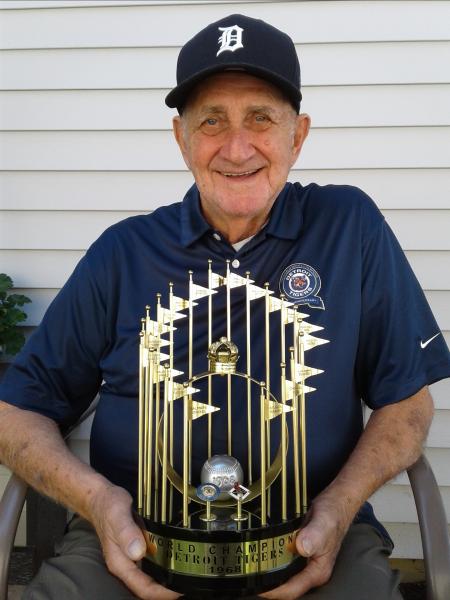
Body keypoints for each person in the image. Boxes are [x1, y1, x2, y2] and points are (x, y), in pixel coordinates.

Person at [0, 13, 449, 600]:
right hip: (134, 538)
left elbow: (407, 403)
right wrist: (99, 502)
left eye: (261, 117)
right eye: (212, 121)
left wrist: (339, 509)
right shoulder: (123, 252)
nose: (238, 148)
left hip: (314, 533)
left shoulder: (349, 227)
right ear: (181, 138)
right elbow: (16, 413)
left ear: (299, 134)